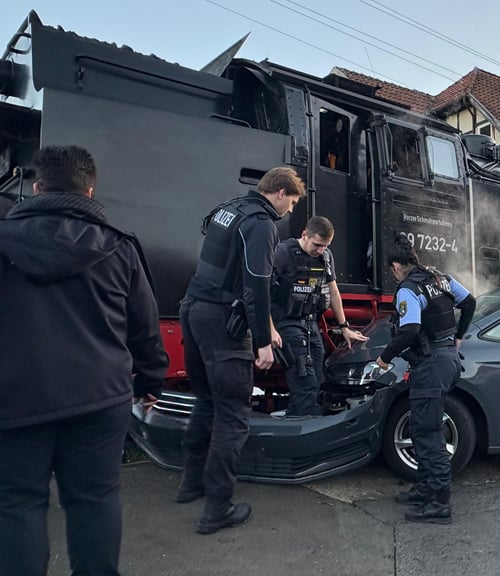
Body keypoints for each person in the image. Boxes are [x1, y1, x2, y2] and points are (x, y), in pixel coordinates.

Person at [0, 145, 168, 575]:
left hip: (14, 399)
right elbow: (145, 329)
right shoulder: (120, 249)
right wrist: (149, 381)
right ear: (89, 189)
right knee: (95, 499)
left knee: (16, 504)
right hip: (100, 398)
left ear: (37, 188)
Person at [176, 166, 305, 535]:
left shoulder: (228, 208)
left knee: (205, 401)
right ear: (279, 193)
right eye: (292, 202)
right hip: (222, 323)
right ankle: (217, 509)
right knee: (233, 415)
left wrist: (268, 329)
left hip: (193, 309)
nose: (291, 211)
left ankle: (190, 484)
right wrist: (263, 339)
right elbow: (256, 285)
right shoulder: (263, 224)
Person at [375, 234, 475, 524]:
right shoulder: (439, 277)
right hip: (447, 361)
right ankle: (425, 488)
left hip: (431, 365)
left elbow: (409, 331)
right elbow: (469, 302)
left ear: (395, 266)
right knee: (422, 427)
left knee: (428, 433)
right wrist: (457, 337)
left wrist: (384, 358)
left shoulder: (408, 289)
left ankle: (439, 503)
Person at [271, 216, 368, 416]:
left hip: (310, 324)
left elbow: (333, 292)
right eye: (317, 245)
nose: (320, 250)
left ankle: (297, 422)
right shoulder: (283, 253)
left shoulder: (326, 256)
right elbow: (262, 292)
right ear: (304, 235)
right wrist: (269, 330)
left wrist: (344, 327)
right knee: (304, 382)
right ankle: (304, 430)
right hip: (287, 323)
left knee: (316, 383)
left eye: (325, 246)